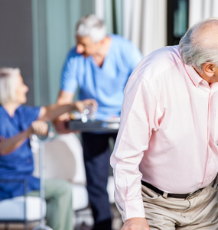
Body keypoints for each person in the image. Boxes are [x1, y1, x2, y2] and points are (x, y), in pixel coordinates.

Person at [111, 18, 218, 230]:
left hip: (206, 202)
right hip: (153, 202)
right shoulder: (152, 78)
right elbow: (126, 154)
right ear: (210, 68)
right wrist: (133, 216)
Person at [53, 14, 142, 229]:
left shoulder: (126, 51)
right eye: (78, 43)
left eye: (83, 44)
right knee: (95, 182)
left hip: (126, 122)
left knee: (133, 175)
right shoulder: (75, 57)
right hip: (93, 125)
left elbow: (144, 89)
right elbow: (64, 99)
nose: (79, 49)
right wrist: (61, 121)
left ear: (101, 41)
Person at [0, 67, 97, 230]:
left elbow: (48, 112)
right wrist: (27, 133)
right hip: (7, 182)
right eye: (21, 84)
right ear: (9, 88)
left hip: (24, 179)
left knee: (62, 188)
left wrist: (73, 106)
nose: (26, 88)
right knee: (62, 189)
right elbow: (2, 147)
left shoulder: (20, 112)